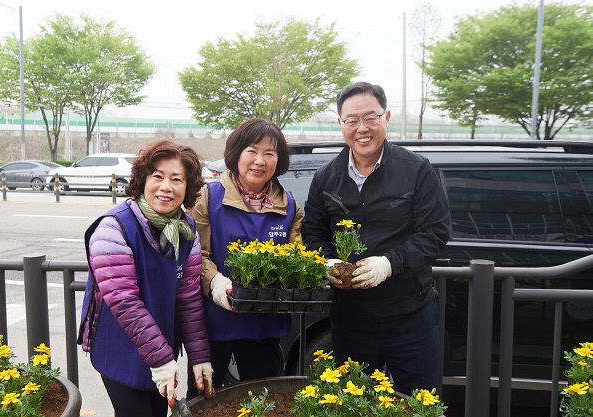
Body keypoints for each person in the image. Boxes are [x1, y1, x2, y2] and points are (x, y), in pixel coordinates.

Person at [302, 82, 450, 396]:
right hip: (351, 315)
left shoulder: (416, 170)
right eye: (351, 120)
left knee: (420, 401)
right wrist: (327, 261)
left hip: (410, 312)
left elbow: (435, 233)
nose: (362, 128)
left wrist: (389, 264)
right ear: (340, 124)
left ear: (387, 118)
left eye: (371, 118)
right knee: (353, 400)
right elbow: (313, 234)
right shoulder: (326, 177)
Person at [77, 139, 213, 417]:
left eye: (177, 179)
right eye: (158, 176)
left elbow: (188, 299)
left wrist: (200, 358)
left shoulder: (187, 231)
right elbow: (124, 301)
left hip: (160, 341)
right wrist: (162, 361)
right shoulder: (113, 228)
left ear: (187, 187)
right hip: (119, 346)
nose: (166, 187)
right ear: (143, 180)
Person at [187, 118, 303, 396]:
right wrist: (215, 282)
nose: (259, 161)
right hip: (215, 322)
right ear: (236, 153)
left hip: (265, 325)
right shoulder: (209, 196)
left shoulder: (288, 205)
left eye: (269, 153)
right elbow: (194, 254)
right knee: (204, 398)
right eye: (252, 151)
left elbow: (297, 257)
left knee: (261, 398)